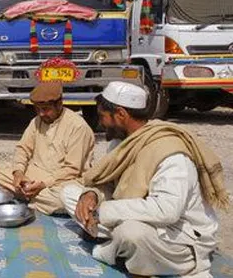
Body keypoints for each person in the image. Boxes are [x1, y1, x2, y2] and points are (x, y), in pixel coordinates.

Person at [61, 81, 227, 277]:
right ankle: (121, 246)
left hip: (177, 238)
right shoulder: (121, 143)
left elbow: (166, 211)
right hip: (133, 216)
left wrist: (103, 211)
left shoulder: (171, 154)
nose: (101, 123)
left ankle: (118, 249)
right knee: (70, 193)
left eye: (103, 116)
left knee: (130, 233)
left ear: (121, 114)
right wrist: (91, 195)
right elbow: (108, 182)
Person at [1, 81, 95, 215]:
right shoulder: (37, 121)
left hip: (64, 181)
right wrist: (19, 173)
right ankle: (31, 195)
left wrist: (43, 184)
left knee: (61, 199)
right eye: (37, 109)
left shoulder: (78, 127)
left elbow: (72, 169)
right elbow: (23, 148)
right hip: (35, 175)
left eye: (45, 109)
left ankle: (28, 195)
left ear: (59, 104)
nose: (41, 114)